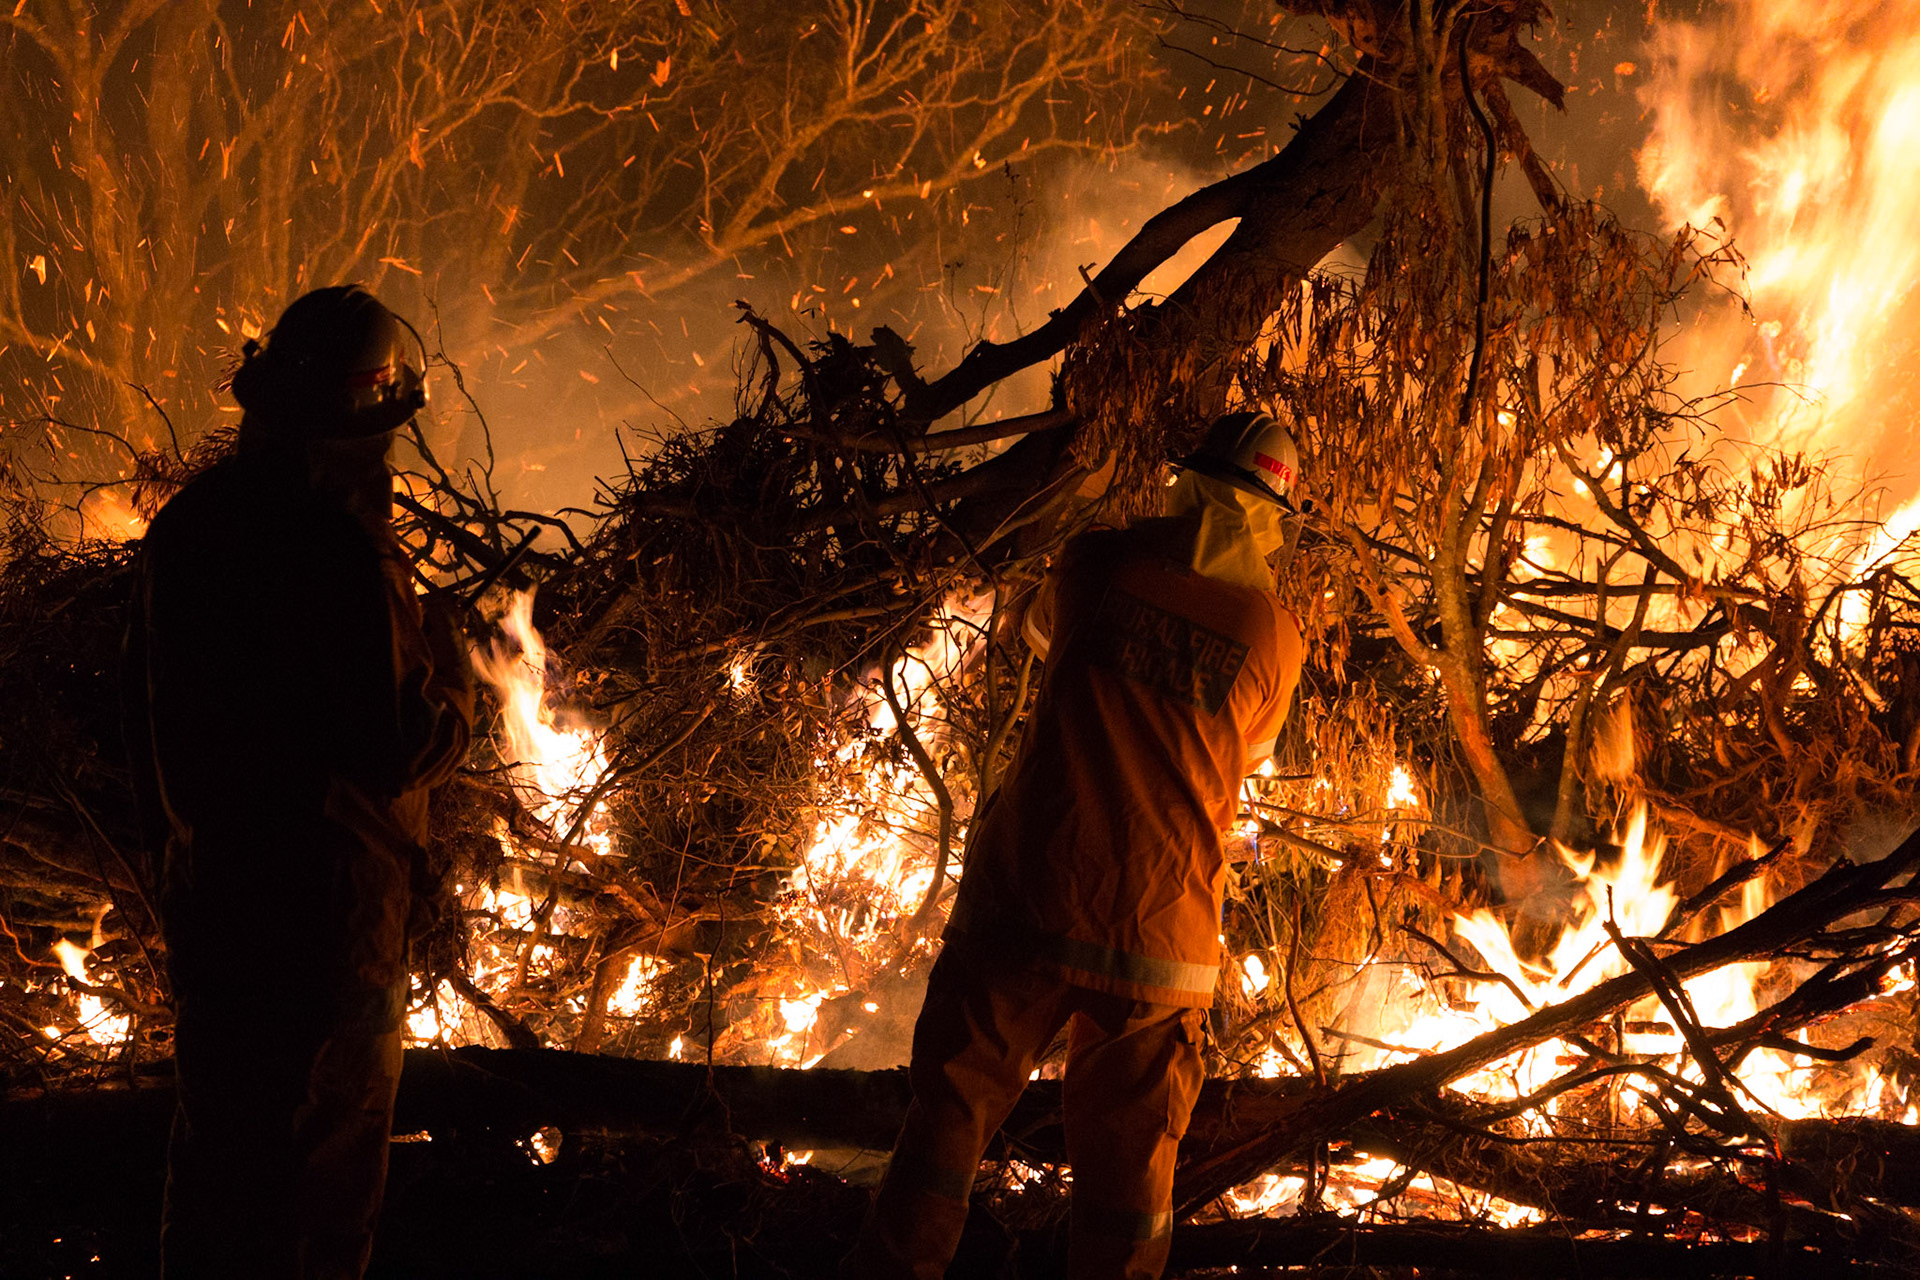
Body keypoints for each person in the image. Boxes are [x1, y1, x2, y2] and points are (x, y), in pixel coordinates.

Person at [843, 412, 1307, 1279]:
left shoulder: (1098, 565)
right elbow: (1249, 754)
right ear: (1274, 518)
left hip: (1029, 900)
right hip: (1161, 937)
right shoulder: (1274, 635)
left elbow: (1047, 640)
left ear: (1185, 481)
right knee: (1128, 1188)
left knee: (945, 1131)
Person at [128, 285, 474, 1278]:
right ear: (363, 421)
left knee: (216, 1185)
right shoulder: (338, 549)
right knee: (318, 1201)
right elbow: (396, 741)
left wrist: (181, 871)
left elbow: (142, 723)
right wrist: (456, 679)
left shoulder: (188, 530)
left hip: (217, 916)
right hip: (331, 933)